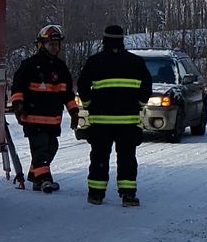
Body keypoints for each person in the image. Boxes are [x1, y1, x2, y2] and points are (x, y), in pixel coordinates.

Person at [76, 23, 152, 206]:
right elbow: (147, 87)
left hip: (101, 122)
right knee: (127, 158)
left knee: (99, 158)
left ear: (104, 41)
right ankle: (128, 195)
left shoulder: (95, 61)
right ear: (122, 40)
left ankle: (96, 194)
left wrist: (88, 104)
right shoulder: (135, 62)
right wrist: (139, 105)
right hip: (128, 121)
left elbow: (82, 86)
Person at [9, 24, 77, 192]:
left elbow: (67, 93)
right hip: (33, 118)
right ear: (41, 45)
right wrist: (18, 105)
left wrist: (74, 112)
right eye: (50, 45)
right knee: (40, 149)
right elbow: (17, 87)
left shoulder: (61, 68)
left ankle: (35, 177)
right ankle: (46, 180)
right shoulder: (30, 65)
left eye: (56, 45)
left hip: (53, 120)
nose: (54, 48)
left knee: (51, 148)